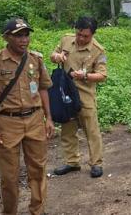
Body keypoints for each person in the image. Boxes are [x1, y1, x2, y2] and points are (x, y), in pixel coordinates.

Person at [0, 18, 54, 215]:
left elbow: (43, 88)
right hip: (7, 123)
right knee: (9, 176)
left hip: (35, 119)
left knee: (38, 170)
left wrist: (48, 118)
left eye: (26, 35)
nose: (24, 40)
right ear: (6, 37)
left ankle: (38, 210)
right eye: (18, 36)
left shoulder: (36, 59)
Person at [51, 17, 107, 178]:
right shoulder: (66, 40)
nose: (81, 38)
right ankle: (72, 162)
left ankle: (96, 163)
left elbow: (103, 75)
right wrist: (56, 57)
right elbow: (53, 54)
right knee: (67, 128)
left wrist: (86, 75)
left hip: (85, 94)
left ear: (92, 35)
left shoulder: (98, 50)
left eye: (85, 36)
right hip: (66, 93)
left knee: (92, 130)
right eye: (79, 34)